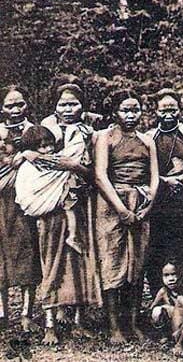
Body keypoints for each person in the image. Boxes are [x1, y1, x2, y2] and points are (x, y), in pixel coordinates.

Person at [15, 84, 101, 343]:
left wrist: (73, 166)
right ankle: (50, 323)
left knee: (79, 263)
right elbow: (33, 168)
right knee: (51, 264)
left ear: (82, 106)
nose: (68, 109)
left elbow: (91, 169)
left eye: (73, 103)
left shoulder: (89, 133)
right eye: (63, 104)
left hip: (79, 203)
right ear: (55, 107)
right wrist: (29, 155)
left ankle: (78, 321)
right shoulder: (45, 131)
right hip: (49, 213)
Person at [94, 89, 159, 343]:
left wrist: (148, 205)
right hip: (111, 203)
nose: (131, 115)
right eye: (125, 110)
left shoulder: (147, 140)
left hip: (140, 202)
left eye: (135, 110)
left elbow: (154, 177)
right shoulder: (105, 137)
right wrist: (121, 209)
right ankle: (114, 328)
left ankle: (132, 324)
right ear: (115, 112)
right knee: (112, 261)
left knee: (137, 263)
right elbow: (100, 175)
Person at [145, 89, 183, 296]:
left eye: (173, 109)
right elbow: (147, 168)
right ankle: (160, 297)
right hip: (159, 199)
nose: (168, 114)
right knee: (158, 247)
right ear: (155, 111)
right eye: (163, 110)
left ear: (179, 109)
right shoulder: (150, 136)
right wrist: (165, 180)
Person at [0, 85, 39, 333]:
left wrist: (26, 154)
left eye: (20, 104)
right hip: (0, 198)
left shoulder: (35, 131)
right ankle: (2, 313)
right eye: (9, 105)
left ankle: (27, 313)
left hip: (26, 198)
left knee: (27, 252)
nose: (15, 110)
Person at [149, 261, 180, 340]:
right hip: (171, 319)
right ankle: (165, 334)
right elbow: (152, 307)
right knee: (157, 311)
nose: (171, 279)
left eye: (173, 274)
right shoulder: (163, 291)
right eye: (166, 275)